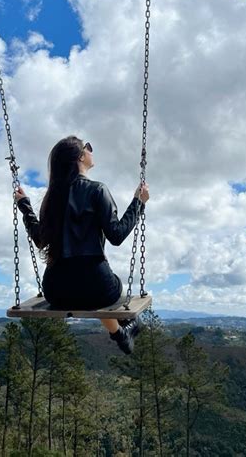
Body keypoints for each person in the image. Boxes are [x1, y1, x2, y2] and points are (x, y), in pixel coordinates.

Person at [14, 135, 150, 354]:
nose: (91, 151)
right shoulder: (97, 190)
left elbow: (40, 239)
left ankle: (123, 332)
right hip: (97, 287)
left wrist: (25, 206)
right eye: (89, 147)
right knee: (111, 288)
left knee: (92, 290)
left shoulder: (53, 197)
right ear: (80, 156)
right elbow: (116, 235)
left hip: (56, 291)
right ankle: (122, 331)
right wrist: (138, 203)